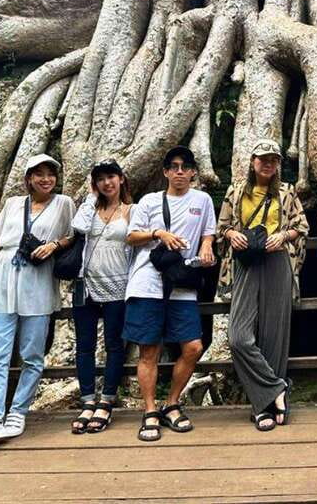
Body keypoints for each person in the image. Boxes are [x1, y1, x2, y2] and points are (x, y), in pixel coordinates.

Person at [0, 154, 75, 446]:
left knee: (31, 355)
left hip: (37, 286)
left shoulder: (64, 204)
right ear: (28, 178)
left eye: (50, 174)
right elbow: (0, 242)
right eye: (39, 174)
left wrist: (53, 245)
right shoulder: (14, 203)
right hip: (4, 285)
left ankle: (17, 412)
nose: (46, 179)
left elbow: (72, 236)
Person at [124, 146, 216, 442]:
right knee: (149, 349)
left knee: (193, 347)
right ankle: (150, 410)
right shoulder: (149, 201)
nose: (179, 171)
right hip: (148, 283)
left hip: (181, 284)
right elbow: (131, 236)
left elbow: (208, 232)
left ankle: (172, 402)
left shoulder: (202, 200)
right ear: (165, 172)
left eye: (185, 166)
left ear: (192, 172)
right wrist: (158, 234)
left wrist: (206, 245)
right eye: (173, 166)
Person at [217, 139, 309, 431]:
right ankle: (277, 389)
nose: (268, 163)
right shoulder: (236, 190)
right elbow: (222, 227)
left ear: (278, 164)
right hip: (247, 264)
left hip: (278, 262)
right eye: (262, 158)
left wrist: (283, 236)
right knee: (238, 337)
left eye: (273, 159)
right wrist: (232, 234)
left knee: (274, 336)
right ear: (253, 161)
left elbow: (302, 226)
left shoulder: (287, 191)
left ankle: (264, 407)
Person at [69, 159, 133, 435]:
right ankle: (86, 401)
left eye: (111, 177)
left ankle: (106, 400)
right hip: (86, 284)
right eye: (100, 179)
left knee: (114, 346)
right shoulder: (89, 209)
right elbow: (79, 227)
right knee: (84, 346)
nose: (107, 183)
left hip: (118, 285)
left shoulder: (133, 209)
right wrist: (91, 197)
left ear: (121, 179)